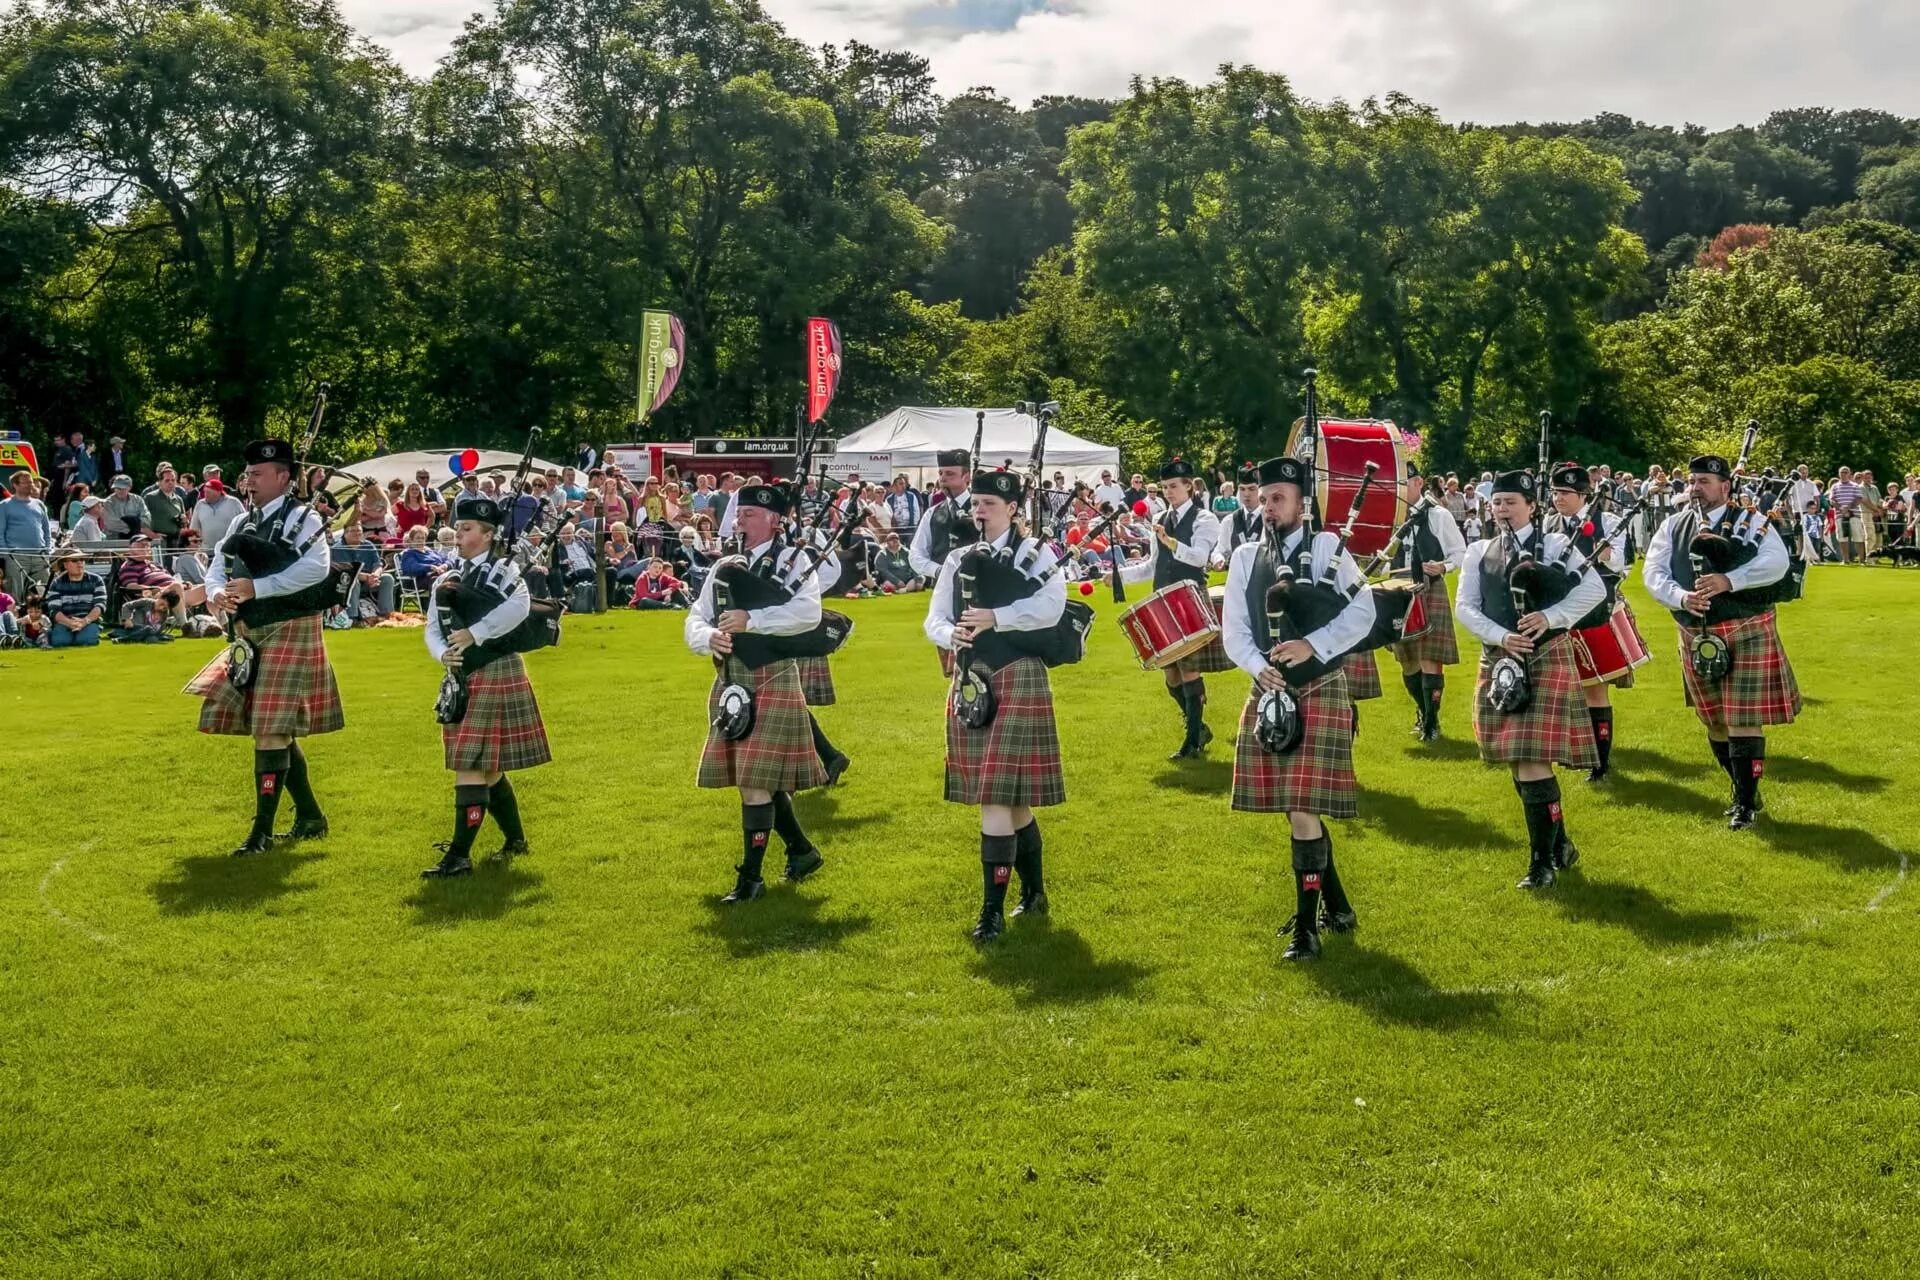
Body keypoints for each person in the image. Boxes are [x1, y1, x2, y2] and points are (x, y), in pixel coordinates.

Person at [1221, 456, 1376, 961]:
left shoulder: (1329, 547)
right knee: (1294, 807)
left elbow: (1364, 611)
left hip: (1320, 684)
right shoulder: (1245, 556)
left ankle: (1306, 932)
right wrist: (1255, 666)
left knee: (1303, 809)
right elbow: (1235, 629)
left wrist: (1315, 645)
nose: (1268, 507)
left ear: (1301, 503)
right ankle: (1340, 908)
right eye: (1263, 498)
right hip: (1269, 691)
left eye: (1278, 498)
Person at [924, 468, 1067, 943]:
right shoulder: (958, 558)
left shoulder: (1036, 553)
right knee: (1013, 800)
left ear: (1012, 509)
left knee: (995, 797)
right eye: (977, 502)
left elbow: (1052, 607)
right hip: (971, 680)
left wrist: (996, 617)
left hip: (1018, 676)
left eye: (989, 503)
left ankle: (991, 913)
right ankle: (1036, 891)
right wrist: (952, 633)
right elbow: (935, 618)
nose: (980, 510)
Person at [183, 439, 341, 856]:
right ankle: (310, 817)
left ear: (284, 477)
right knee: (273, 728)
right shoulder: (241, 522)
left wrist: (259, 587)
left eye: (257, 474)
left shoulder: (304, 519)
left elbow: (315, 569)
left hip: (290, 627)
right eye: (248, 473)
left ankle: (261, 833)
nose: (249, 480)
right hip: (250, 632)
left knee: (269, 730)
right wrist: (219, 595)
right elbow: (219, 562)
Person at [1455, 470, 1605, 889]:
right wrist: (1501, 636)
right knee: (1517, 759)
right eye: (1497, 502)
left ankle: (1541, 864)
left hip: (1546, 654)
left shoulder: (1557, 545)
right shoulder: (1479, 551)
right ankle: (1560, 845)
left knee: (1530, 758)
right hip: (1500, 657)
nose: (1502, 510)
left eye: (1511, 503)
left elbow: (1593, 589)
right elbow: (1465, 607)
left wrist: (1550, 617)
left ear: (1531, 507)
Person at [685, 483, 830, 903]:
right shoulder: (726, 564)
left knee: (754, 780)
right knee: (758, 778)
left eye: (748, 514)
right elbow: (697, 613)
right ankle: (802, 852)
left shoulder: (794, 560)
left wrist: (754, 619)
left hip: (772, 676)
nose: (739, 521)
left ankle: (750, 878)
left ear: (773, 519)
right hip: (731, 680)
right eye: (738, 513)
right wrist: (708, 636)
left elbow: (809, 613)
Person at [1642, 455, 1800, 830]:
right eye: (1692, 481)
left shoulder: (1753, 522)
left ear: (1725, 487)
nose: (1695, 488)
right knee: (1712, 720)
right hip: (1695, 632)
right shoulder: (1673, 525)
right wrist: (1681, 597)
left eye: (1705, 481)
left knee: (1743, 719)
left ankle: (1745, 804)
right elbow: (1653, 571)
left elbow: (1777, 563)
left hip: (1746, 626)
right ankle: (1742, 787)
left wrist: (1732, 580)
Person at [417, 497, 550, 878]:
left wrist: (475, 634)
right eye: (458, 529)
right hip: (461, 674)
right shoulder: (447, 577)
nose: (459, 535)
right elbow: (431, 625)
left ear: (489, 535)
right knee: (487, 769)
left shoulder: (505, 573)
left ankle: (458, 856)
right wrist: (442, 653)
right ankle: (516, 840)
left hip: (495, 669)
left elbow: (519, 608)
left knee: (471, 764)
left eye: (467, 529)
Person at [1116, 458, 1230, 759]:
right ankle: (1199, 728)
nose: (1168, 492)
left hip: (1188, 598)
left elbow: (1199, 558)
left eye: (1174, 486)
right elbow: (1152, 566)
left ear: (1189, 486)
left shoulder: (1205, 519)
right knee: (1170, 672)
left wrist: (1171, 543)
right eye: (1165, 487)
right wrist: (1118, 576)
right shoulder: (1161, 519)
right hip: (1162, 599)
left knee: (1188, 669)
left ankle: (1192, 742)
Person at [1546, 462, 1638, 782]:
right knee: (1563, 690)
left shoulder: (1608, 521)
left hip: (1596, 612)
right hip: (1560, 616)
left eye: (1565, 493)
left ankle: (1600, 762)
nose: (1558, 498)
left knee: (1595, 690)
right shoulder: (1549, 524)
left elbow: (1622, 565)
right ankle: (1573, 750)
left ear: (1583, 494)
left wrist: (1606, 552)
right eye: (1555, 492)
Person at [1389, 464, 1467, 742]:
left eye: (1404, 481)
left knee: (1430, 659)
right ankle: (1424, 713)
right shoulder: (1393, 516)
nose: (1399, 487)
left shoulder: (1438, 515)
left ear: (1419, 482)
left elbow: (1460, 552)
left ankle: (1431, 725)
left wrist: (1443, 567)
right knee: (1407, 661)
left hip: (1429, 589)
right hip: (1398, 592)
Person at [909, 449, 980, 675]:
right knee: (953, 670)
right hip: (945, 592)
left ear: (967, 476)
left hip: (982, 591)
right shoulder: (933, 513)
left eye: (950, 473)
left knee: (983, 658)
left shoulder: (983, 508)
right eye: (941, 473)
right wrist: (940, 571)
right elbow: (916, 555)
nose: (943, 478)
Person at [1, 468, 54, 601]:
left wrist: (46, 550)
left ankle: (42, 618)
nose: (31, 485)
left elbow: (46, 530)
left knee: (43, 592)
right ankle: (16, 619)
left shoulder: (39, 504)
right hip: (17, 557)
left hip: (39, 556)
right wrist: (8, 554)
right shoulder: (5, 506)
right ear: (15, 485)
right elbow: (0, 532)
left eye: (31, 482)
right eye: (26, 483)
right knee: (15, 593)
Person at [332, 523, 398, 620]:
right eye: (353, 531)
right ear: (345, 534)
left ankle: (387, 614)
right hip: (345, 584)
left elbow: (378, 564)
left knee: (387, 578)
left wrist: (375, 575)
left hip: (369, 581)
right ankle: (353, 618)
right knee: (354, 582)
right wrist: (367, 577)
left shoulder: (368, 545)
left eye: (359, 531)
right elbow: (346, 571)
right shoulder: (338, 548)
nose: (357, 533)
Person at [43, 547, 106, 647]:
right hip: (64, 621)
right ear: (65, 564)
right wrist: (69, 623)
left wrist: (84, 621)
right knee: (60, 642)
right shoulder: (56, 583)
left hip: (89, 621)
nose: (80, 563)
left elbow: (100, 606)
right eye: (75, 560)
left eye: (82, 560)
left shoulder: (96, 580)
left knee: (85, 641)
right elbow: (54, 610)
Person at [189, 478, 245, 550]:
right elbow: (194, 529)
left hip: (228, 551)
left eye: (208, 492)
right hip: (206, 551)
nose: (205, 495)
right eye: (204, 492)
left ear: (218, 492)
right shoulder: (200, 504)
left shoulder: (234, 503)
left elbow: (244, 523)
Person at [143, 466, 187, 548]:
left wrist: (184, 522)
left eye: (173, 480)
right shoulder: (150, 498)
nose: (170, 483)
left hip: (176, 541)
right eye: (167, 480)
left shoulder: (178, 499)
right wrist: (154, 537)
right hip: (158, 542)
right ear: (159, 482)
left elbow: (184, 524)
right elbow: (142, 525)